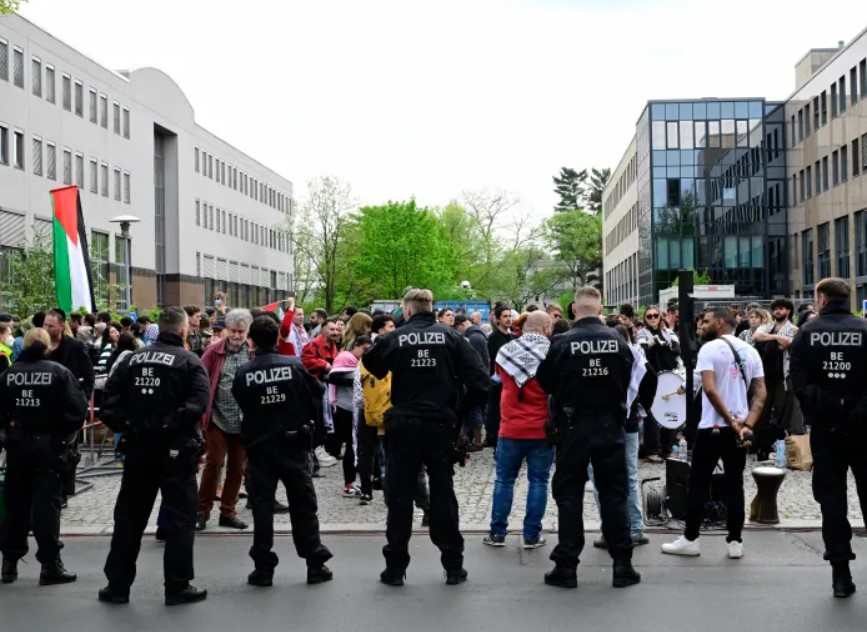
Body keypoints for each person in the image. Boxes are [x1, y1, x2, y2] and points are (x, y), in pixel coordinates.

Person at [362, 288, 490, 586]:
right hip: (441, 424)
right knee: (443, 493)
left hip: (404, 424)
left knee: (400, 496)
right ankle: (453, 566)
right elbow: (482, 381)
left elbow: (371, 363)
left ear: (406, 310)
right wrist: (460, 409)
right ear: (431, 308)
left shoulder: (395, 338)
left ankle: (395, 567)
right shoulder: (452, 337)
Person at [98, 307, 211, 605]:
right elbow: (198, 404)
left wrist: (132, 426)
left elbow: (108, 404)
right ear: (184, 331)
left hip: (138, 448)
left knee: (129, 519)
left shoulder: (131, 360)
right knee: (180, 519)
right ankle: (177, 586)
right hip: (175, 451)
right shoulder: (190, 361)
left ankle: (117, 586)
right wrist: (167, 425)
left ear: (158, 329)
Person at [536, 286, 641, 590]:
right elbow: (629, 377)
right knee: (614, 494)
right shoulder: (618, 340)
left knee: (569, 496)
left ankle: (566, 565)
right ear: (600, 308)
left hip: (572, 426)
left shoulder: (561, 342)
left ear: (574, 309)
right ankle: (623, 564)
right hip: (610, 425)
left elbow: (545, 382)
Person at [231, 316, 333, 587]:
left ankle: (263, 567)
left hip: (260, 448)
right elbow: (319, 390)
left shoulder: (244, 372)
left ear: (251, 341)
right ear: (277, 338)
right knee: (303, 507)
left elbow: (241, 400)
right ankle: (314, 563)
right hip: (293, 445)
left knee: (262, 509)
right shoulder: (294, 366)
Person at [661, 307, 767, 560]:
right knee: (735, 485)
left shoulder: (709, 349)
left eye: (706, 322)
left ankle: (691, 539)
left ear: (720, 323)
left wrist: (730, 421)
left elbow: (708, 389)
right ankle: (735, 542)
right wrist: (747, 426)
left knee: (698, 483)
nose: (701, 327)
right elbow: (761, 393)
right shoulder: (751, 350)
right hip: (739, 430)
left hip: (713, 428)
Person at [789, 277, 867, 598]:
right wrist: (855, 407)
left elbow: (799, 383)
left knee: (832, 503)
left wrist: (830, 404)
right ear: (847, 297)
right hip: (864, 428)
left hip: (825, 430)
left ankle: (840, 574)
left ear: (821, 298)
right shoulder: (865, 330)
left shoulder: (806, 333)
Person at [0, 328, 89, 586]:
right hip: (50, 447)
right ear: (48, 346)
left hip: (18, 447)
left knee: (16, 506)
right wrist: (62, 431)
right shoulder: (58, 372)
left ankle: (9, 563)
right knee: (46, 507)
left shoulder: (9, 374)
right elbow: (78, 408)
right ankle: (50, 565)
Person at [483, 312, 554, 549]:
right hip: (541, 429)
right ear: (545, 327)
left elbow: (500, 380)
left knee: (504, 480)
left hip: (510, 427)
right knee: (539, 482)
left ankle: (497, 533)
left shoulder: (506, 352)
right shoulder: (552, 354)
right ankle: (532, 535)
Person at [196, 309, 254, 531]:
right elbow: (200, 380)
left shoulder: (251, 352)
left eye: (241, 331)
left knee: (237, 467)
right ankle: (202, 511)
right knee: (214, 463)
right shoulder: (213, 351)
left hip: (242, 419)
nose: (237, 335)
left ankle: (228, 512)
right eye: (233, 330)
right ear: (226, 330)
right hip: (217, 417)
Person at [44, 308, 95, 506]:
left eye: (50, 325)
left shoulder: (74, 346)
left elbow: (88, 376)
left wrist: (82, 403)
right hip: (47, 408)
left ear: (60, 325)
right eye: (45, 325)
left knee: (68, 452)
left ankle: (64, 491)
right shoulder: (42, 346)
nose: (46, 328)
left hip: (69, 407)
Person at [754, 298, 804, 459]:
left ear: (788, 311)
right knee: (762, 412)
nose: (777, 312)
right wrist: (775, 338)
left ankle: (775, 444)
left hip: (783, 376)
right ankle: (762, 446)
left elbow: (790, 343)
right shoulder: (767, 327)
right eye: (775, 309)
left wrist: (772, 340)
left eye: (781, 309)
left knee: (780, 413)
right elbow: (757, 336)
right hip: (764, 376)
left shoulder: (794, 329)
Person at [636, 305, 681, 462]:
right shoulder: (642, 333)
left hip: (669, 375)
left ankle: (667, 448)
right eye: (649, 316)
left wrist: (657, 344)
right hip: (651, 377)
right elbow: (644, 350)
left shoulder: (669, 332)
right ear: (645, 318)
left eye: (655, 315)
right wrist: (659, 345)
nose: (653, 318)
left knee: (670, 411)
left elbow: (677, 350)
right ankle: (652, 449)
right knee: (652, 414)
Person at [485, 305, 515, 448]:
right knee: (496, 414)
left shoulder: (511, 336)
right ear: (497, 319)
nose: (509, 319)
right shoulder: (494, 337)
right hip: (498, 382)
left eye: (510, 316)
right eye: (505, 316)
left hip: (510, 382)